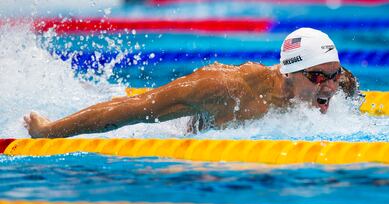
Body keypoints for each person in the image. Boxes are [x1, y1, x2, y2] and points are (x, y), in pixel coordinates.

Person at [24, 28, 358, 138]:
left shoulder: (339, 85)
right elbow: (134, 109)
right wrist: (49, 131)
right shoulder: (227, 89)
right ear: (288, 73)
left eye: (334, 74)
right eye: (317, 76)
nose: (329, 86)